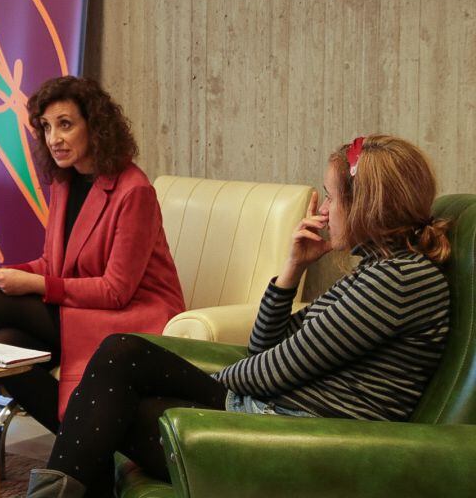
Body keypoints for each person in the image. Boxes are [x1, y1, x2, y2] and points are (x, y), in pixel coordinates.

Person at [24, 134, 452, 498]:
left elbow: (272, 370)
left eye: (331, 197)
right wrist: (291, 270)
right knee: (115, 375)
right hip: (278, 415)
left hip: (301, 438)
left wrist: (208, 381)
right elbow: (264, 347)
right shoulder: (380, 270)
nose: (323, 211)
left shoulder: (396, 282)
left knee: (112, 389)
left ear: (364, 206)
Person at [0, 76, 185, 483]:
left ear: (96, 125)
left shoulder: (134, 191)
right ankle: (87, 453)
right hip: (85, 311)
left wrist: (32, 285)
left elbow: (116, 290)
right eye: (45, 126)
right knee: (4, 344)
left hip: (135, 318)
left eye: (65, 124)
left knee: (1, 308)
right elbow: (52, 263)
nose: (54, 138)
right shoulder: (65, 182)